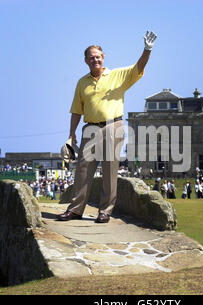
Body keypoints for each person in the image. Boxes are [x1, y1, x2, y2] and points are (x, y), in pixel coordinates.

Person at [57, 31, 157, 223]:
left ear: (103, 58)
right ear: (86, 61)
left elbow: (139, 68)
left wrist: (147, 50)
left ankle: (105, 211)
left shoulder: (118, 75)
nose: (96, 60)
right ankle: (76, 210)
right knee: (83, 171)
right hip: (90, 129)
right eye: (91, 57)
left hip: (113, 126)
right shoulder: (82, 82)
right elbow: (76, 110)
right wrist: (71, 134)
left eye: (98, 57)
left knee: (110, 171)